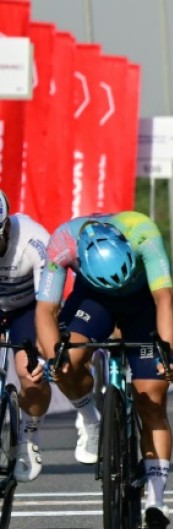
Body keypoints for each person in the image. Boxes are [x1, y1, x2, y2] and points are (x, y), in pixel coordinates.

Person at [35, 211, 173, 529]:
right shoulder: (63, 241)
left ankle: (157, 501)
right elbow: (46, 309)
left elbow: (165, 298)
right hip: (94, 300)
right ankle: (90, 416)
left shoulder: (144, 234)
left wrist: (167, 354)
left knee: (151, 397)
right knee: (64, 365)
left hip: (142, 301)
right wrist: (51, 360)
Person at [0, 191, 52, 483]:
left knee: (30, 374)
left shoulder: (34, 240)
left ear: (6, 227)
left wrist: (43, 351)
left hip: (28, 308)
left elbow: (47, 304)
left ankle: (29, 435)